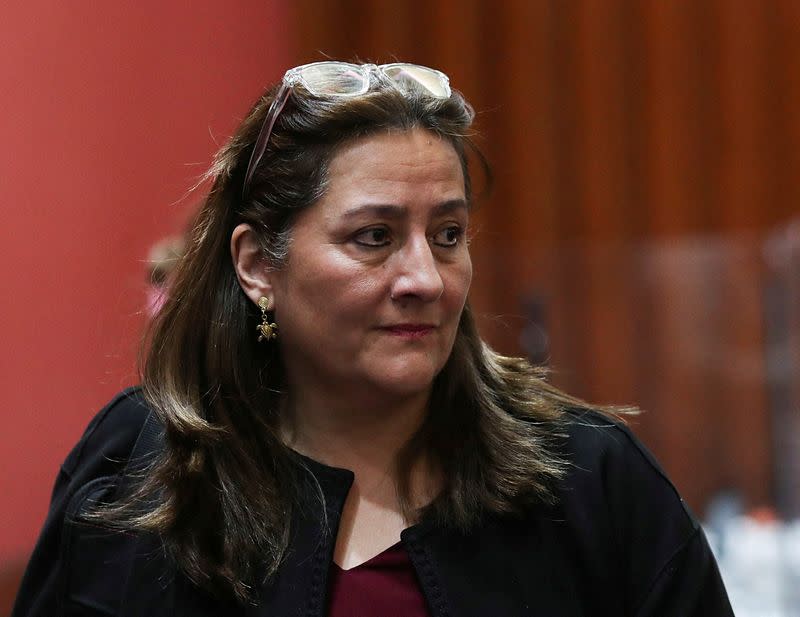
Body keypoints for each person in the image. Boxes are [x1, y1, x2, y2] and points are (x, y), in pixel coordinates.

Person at [12, 61, 733, 616]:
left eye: (447, 234)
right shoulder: (140, 468)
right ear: (259, 265)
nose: (426, 276)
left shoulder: (588, 480)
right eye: (374, 237)